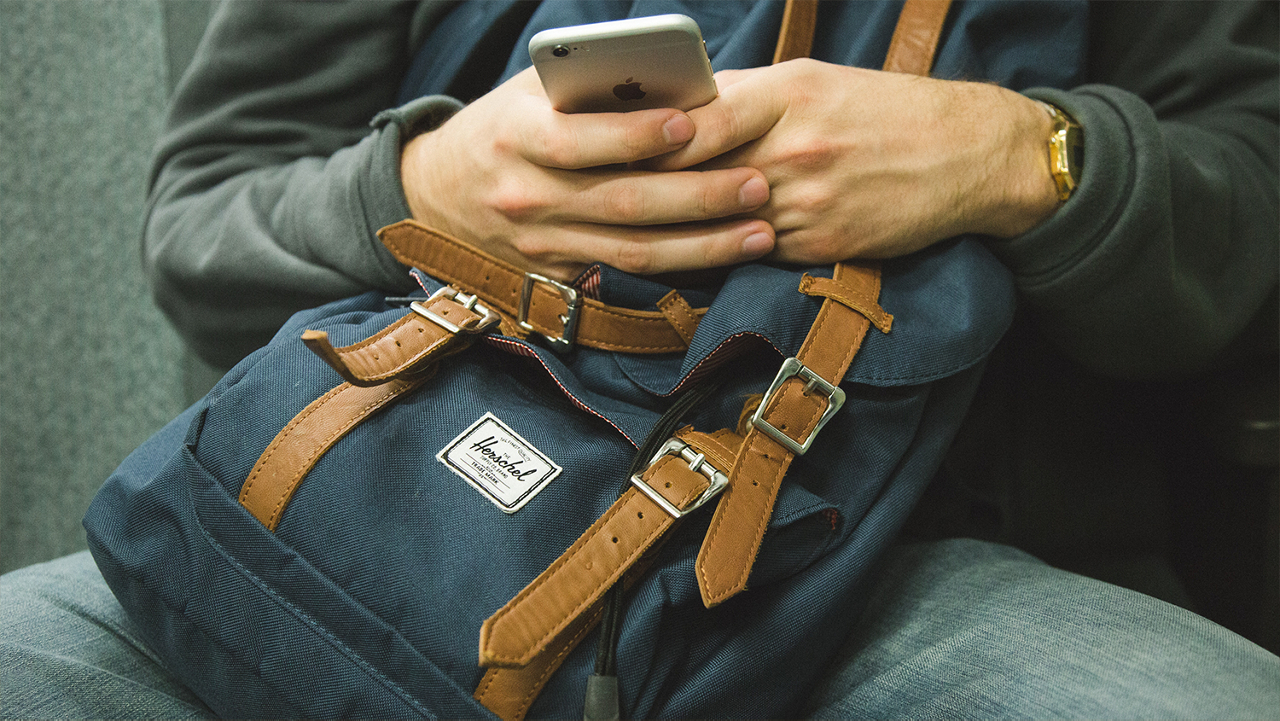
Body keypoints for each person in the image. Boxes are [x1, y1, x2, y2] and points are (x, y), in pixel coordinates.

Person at [3, 1, 1278, 718]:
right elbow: (199, 223)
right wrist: (423, 184)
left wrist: (1025, 158)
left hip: (895, 551)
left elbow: (1244, 225)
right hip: (391, 470)